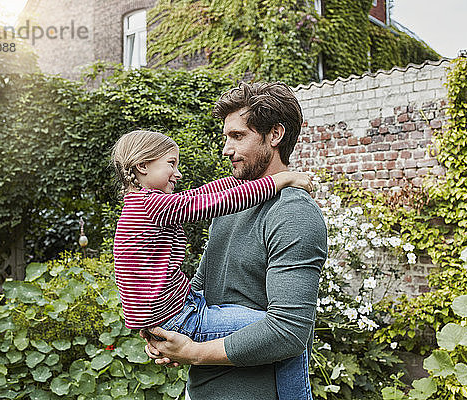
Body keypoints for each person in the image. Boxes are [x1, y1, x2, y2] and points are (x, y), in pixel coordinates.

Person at [143, 82, 328, 400]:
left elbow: (289, 331)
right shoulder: (231, 203)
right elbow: (203, 288)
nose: (226, 149)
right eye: (226, 137)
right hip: (202, 390)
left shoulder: (293, 212)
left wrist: (195, 352)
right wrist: (169, 331)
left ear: (275, 135)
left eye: (238, 136)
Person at [110, 129, 315, 400]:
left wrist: (152, 331)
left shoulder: (140, 205)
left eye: (238, 136)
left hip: (177, 312)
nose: (178, 173)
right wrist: (282, 179)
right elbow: (218, 201)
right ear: (143, 166)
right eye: (171, 163)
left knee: (287, 336)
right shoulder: (153, 207)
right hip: (182, 317)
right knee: (288, 339)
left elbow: (203, 194)